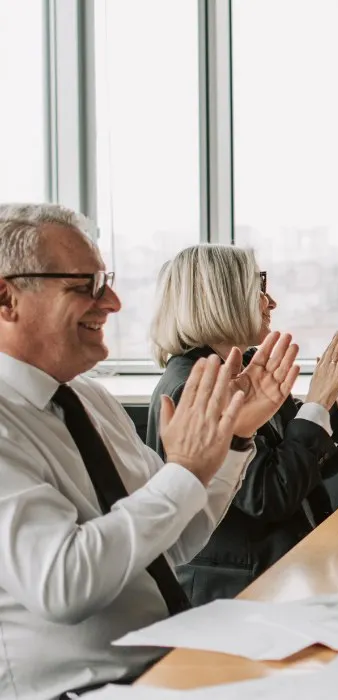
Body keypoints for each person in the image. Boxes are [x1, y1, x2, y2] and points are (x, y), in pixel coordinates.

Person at [0, 203, 300, 699]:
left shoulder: (91, 400)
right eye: (86, 286)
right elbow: (62, 584)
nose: (113, 302)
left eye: (107, 281)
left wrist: (235, 440)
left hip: (168, 665)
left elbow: (174, 541)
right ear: (7, 298)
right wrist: (182, 471)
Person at [147, 244, 338, 605]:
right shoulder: (191, 386)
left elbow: (309, 466)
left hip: (287, 576)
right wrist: (316, 402)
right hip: (237, 597)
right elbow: (268, 495)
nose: (271, 302)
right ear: (222, 298)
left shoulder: (248, 365)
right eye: (259, 288)